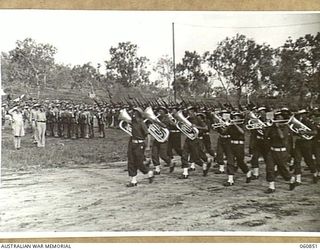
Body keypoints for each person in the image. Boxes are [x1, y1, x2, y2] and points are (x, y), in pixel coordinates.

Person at [264, 111, 296, 193]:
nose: (277, 118)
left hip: (281, 152)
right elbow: (266, 136)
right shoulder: (272, 127)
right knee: (269, 168)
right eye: (276, 117)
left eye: (279, 117)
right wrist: (269, 127)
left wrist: (277, 127)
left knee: (282, 169)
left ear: (283, 118)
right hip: (272, 151)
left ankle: (291, 179)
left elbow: (282, 137)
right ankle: (271, 187)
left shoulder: (286, 127)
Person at [180, 106, 211, 179]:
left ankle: (204, 165)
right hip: (188, 138)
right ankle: (185, 173)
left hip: (196, 139)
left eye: (191, 112)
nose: (189, 114)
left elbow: (206, 128)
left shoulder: (198, 119)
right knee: (184, 155)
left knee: (196, 157)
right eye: (188, 112)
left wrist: (196, 127)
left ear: (194, 112)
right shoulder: (188, 119)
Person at [126, 107, 154, 187]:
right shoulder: (133, 122)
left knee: (139, 162)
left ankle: (149, 172)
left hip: (140, 144)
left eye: (135, 112)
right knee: (131, 161)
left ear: (138, 114)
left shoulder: (142, 123)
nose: (133, 114)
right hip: (132, 143)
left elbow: (148, 135)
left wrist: (148, 146)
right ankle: (133, 181)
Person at [224, 112, 252, 186]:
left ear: (240, 118)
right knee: (230, 161)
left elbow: (242, 132)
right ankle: (230, 180)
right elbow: (224, 133)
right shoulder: (231, 126)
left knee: (240, 162)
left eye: (237, 117)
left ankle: (247, 172)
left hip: (239, 145)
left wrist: (235, 124)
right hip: (231, 145)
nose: (235, 119)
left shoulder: (242, 125)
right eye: (234, 117)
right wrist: (227, 126)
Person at [292, 109, 318, 185]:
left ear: (306, 114)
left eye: (303, 114)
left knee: (308, 160)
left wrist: (305, 132)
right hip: (298, 143)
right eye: (300, 114)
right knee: (297, 161)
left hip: (307, 143)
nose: (301, 116)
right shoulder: (296, 122)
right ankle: (298, 180)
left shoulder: (308, 122)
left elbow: (315, 132)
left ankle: (314, 174)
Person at [151, 106, 175, 175]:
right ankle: (157, 169)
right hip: (157, 137)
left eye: (161, 111)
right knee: (154, 154)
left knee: (163, 155)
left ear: (164, 112)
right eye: (159, 111)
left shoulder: (167, 118)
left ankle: (170, 162)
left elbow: (164, 126)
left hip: (164, 138)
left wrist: (157, 122)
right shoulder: (158, 118)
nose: (159, 113)